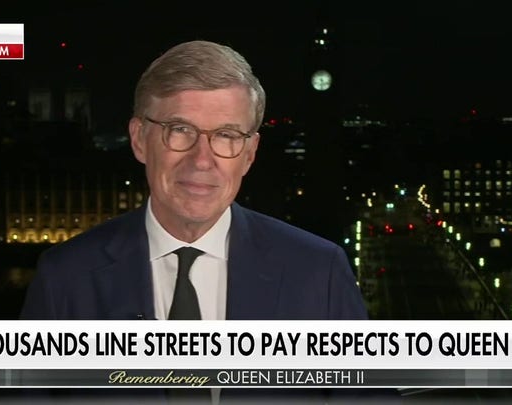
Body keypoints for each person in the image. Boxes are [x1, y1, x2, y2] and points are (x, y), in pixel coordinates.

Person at [20, 40, 397, 404]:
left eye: (226, 136)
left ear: (248, 154)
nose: (202, 160)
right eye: (180, 130)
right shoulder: (65, 278)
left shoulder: (319, 272)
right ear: (139, 139)